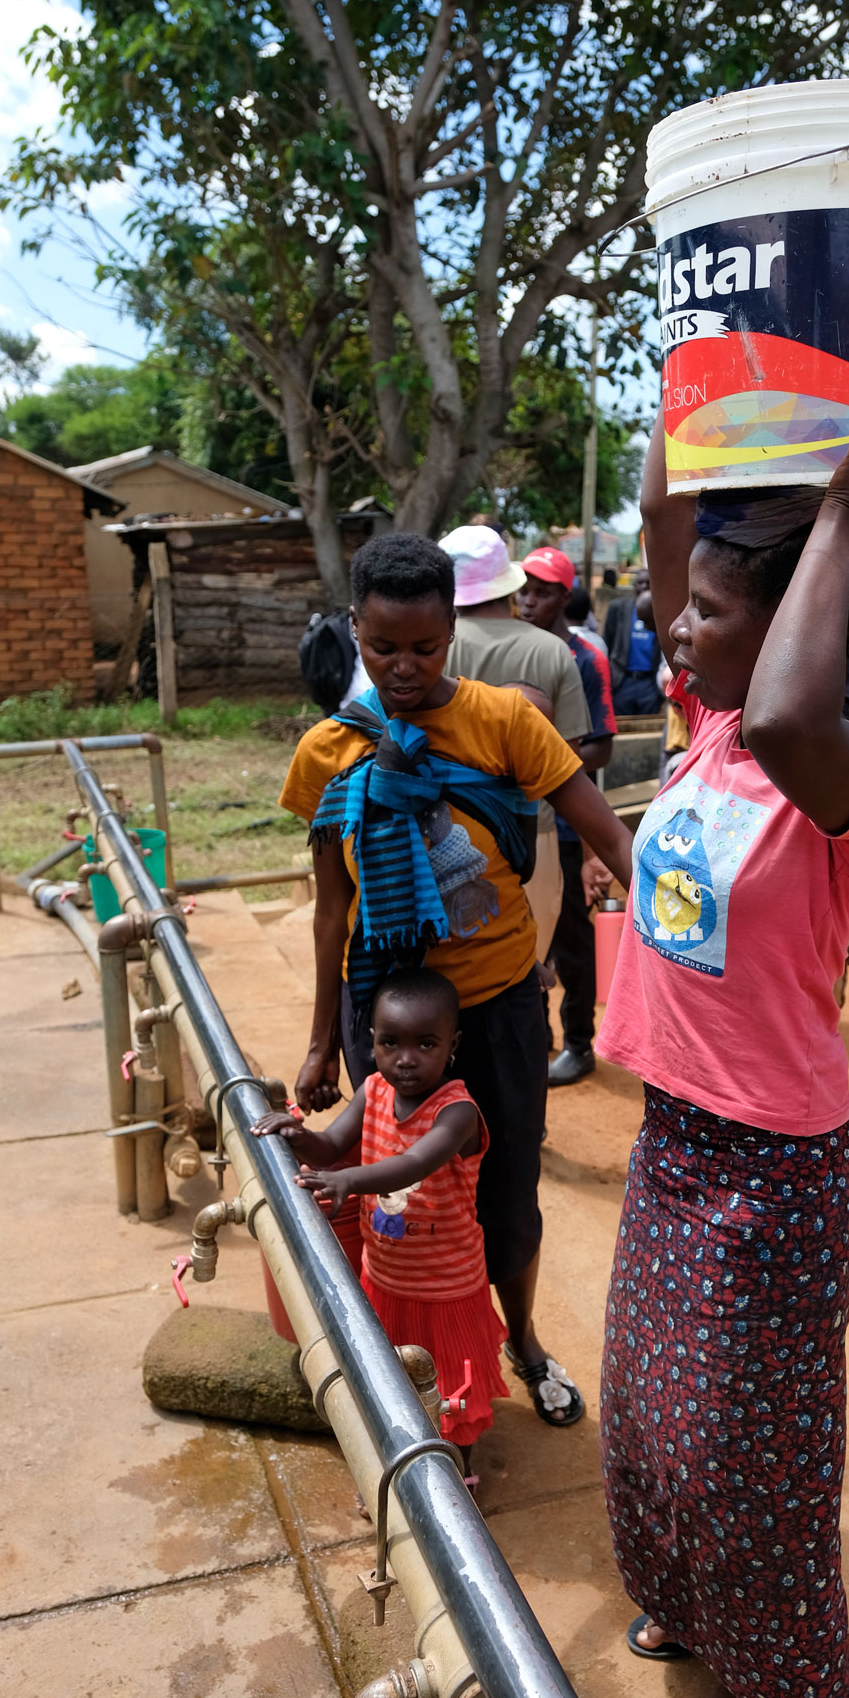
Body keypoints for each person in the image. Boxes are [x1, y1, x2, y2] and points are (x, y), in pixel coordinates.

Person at [597, 363, 849, 1698]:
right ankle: (699, 1613)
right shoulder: (710, 730)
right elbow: (665, 519)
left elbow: (796, 719)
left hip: (772, 1173)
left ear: (794, 624)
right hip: (675, 1139)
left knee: (739, 1454)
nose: (672, 625)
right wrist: (702, 372)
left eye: (704, 614)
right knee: (650, 1418)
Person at [280, 532, 633, 1429]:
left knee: (506, 1197)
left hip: (499, 1006)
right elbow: (331, 907)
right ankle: (400, 1351)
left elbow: (605, 831)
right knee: (392, 1196)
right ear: (354, 629)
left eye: (425, 648)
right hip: (387, 1019)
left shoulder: (503, 722)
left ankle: (520, 1340)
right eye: (383, 646)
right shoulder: (329, 749)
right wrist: (324, 1042)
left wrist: (682, 928)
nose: (404, 667)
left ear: (453, 633)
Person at [252, 969, 504, 1485]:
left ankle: (458, 1479)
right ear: (373, 1042)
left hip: (446, 1287)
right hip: (385, 1276)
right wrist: (298, 1135)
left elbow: (414, 1163)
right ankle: (403, 1470)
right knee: (390, 1382)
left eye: (425, 1044)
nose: (405, 1058)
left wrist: (348, 1182)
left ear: (451, 1046)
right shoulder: (372, 1091)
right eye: (391, 1043)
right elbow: (331, 1144)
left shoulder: (456, 1113)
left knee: (451, 1390)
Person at [441, 522, 592, 964]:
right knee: (526, 967)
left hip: (440, 831)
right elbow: (570, 761)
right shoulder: (551, 651)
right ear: (508, 582)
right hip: (532, 835)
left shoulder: (431, 647)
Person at [517, 546, 619, 1086]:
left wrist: (543, 766)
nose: (529, 600)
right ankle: (535, 1039)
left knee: (574, 941)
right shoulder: (514, 648)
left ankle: (579, 1042)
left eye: (542, 591)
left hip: (567, 822)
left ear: (563, 596)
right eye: (524, 590)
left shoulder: (584, 657)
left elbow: (601, 747)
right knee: (522, 938)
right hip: (516, 824)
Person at [604, 568, 663, 713]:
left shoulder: (661, 611)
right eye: (640, 583)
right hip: (624, 680)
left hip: (650, 681)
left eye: (648, 583)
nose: (644, 586)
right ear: (634, 586)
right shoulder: (619, 608)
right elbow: (608, 643)